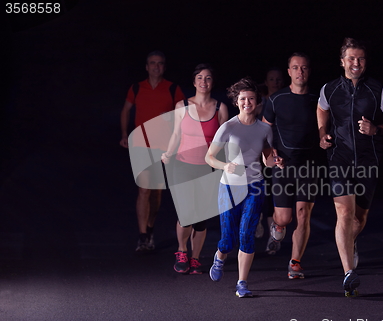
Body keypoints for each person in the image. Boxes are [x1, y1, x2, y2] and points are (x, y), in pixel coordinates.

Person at [317, 38, 383, 296]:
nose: (356, 63)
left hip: (368, 161)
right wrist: (322, 133)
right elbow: (322, 110)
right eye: (351, 58)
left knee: (358, 218)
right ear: (342, 61)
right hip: (339, 159)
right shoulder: (329, 89)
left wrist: (376, 129)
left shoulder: (379, 90)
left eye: (361, 58)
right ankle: (348, 273)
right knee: (343, 214)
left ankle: (350, 243)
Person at [206, 78, 282, 297]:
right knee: (228, 238)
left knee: (246, 234)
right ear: (236, 102)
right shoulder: (228, 127)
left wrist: (276, 161)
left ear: (258, 102)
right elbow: (209, 157)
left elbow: (268, 160)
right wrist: (225, 165)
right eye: (242, 99)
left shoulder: (264, 129)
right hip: (229, 187)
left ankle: (242, 283)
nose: (247, 102)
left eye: (251, 98)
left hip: (255, 186)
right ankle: (220, 257)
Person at [160, 64, 228, 274]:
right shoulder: (182, 105)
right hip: (183, 165)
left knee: (200, 218)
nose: (203, 82)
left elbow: (225, 140)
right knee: (186, 212)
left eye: (208, 78)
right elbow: (175, 134)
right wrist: (168, 153)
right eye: (199, 78)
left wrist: (227, 165)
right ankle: (182, 251)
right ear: (194, 82)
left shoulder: (220, 108)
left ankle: (196, 257)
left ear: (212, 82)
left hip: (208, 168)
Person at [262, 53, 322, 279]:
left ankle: (295, 262)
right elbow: (264, 131)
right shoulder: (276, 99)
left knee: (303, 214)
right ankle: (277, 226)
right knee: (285, 218)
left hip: (309, 166)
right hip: (283, 167)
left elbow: (325, 127)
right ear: (289, 71)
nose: (300, 71)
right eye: (296, 67)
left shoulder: (318, 99)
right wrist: (270, 152)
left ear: (309, 71)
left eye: (304, 67)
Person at [120, 51, 185, 252]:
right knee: (144, 189)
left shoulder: (173, 89)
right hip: (141, 144)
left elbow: (183, 116)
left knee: (156, 193)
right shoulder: (137, 87)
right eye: (152, 63)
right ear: (147, 67)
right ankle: (142, 236)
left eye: (160, 64)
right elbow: (125, 110)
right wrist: (124, 134)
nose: (156, 66)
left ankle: (150, 228)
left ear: (164, 67)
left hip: (163, 147)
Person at [254, 67, 285, 249]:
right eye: (271, 79)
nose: (276, 82)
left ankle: (273, 237)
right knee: (262, 189)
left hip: (282, 150)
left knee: (277, 191)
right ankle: (258, 218)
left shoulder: (286, 99)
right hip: (263, 150)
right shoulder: (261, 102)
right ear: (266, 82)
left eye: (278, 79)